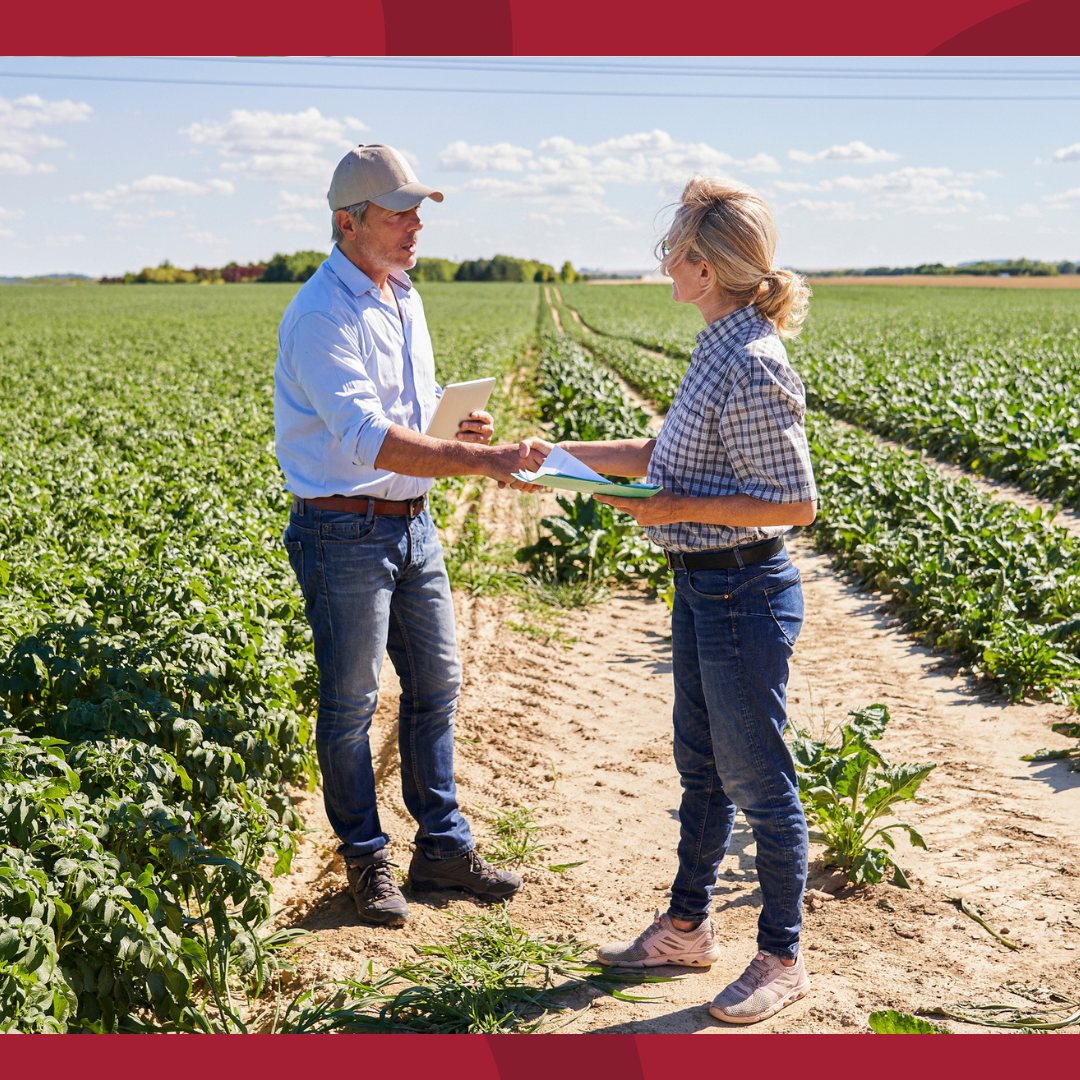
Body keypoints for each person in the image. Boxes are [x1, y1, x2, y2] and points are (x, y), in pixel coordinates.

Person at [526, 177, 817, 1023]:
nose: (664, 265)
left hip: (743, 590)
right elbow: (666, 450)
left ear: (705, 265)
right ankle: (688, 930)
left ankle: (782, 958)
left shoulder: (755, 359)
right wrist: (554, 454)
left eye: (674, 251)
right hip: (703, 587)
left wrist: (675, 507)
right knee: (701, 772)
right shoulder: (718, 342)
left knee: (762, 785)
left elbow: (795, 503)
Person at [274, 143, 541, 927]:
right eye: (399, 213)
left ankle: (442, 851)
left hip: (412, 524)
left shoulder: (403, 296)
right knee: (352, 701)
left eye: (419, 210)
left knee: (435, 686)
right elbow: (367, 438)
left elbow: (411, 416)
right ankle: (364, 861)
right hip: (343, 529)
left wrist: (460, 428)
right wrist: (479, 458)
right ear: (347, 222)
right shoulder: (321, 313)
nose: (416, 225)